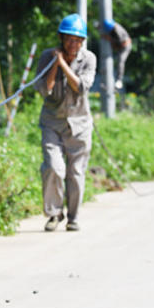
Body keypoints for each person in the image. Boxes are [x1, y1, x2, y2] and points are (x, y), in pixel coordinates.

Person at [34, 13, 97, 232]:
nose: (73, 44)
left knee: (76, 173)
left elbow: (80, 87)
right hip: (52, 122)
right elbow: (45, 89)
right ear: (61, 38)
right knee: (53, 167)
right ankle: (54, 213)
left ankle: (73, 216)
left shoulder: (88, 59)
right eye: (69, 39)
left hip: (79, 124)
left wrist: (63, 64)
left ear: (83, 42)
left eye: (78, 40)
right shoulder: (46, 56)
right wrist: (55, 63)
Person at [100, 18, 132, 90]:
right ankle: (106, 81)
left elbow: (121, 42)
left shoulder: (118, 31)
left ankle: (119, 80)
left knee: (120, 61)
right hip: (119, 46)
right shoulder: (112, 27)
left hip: (125, 47)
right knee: (108, 60)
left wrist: (109, 39)